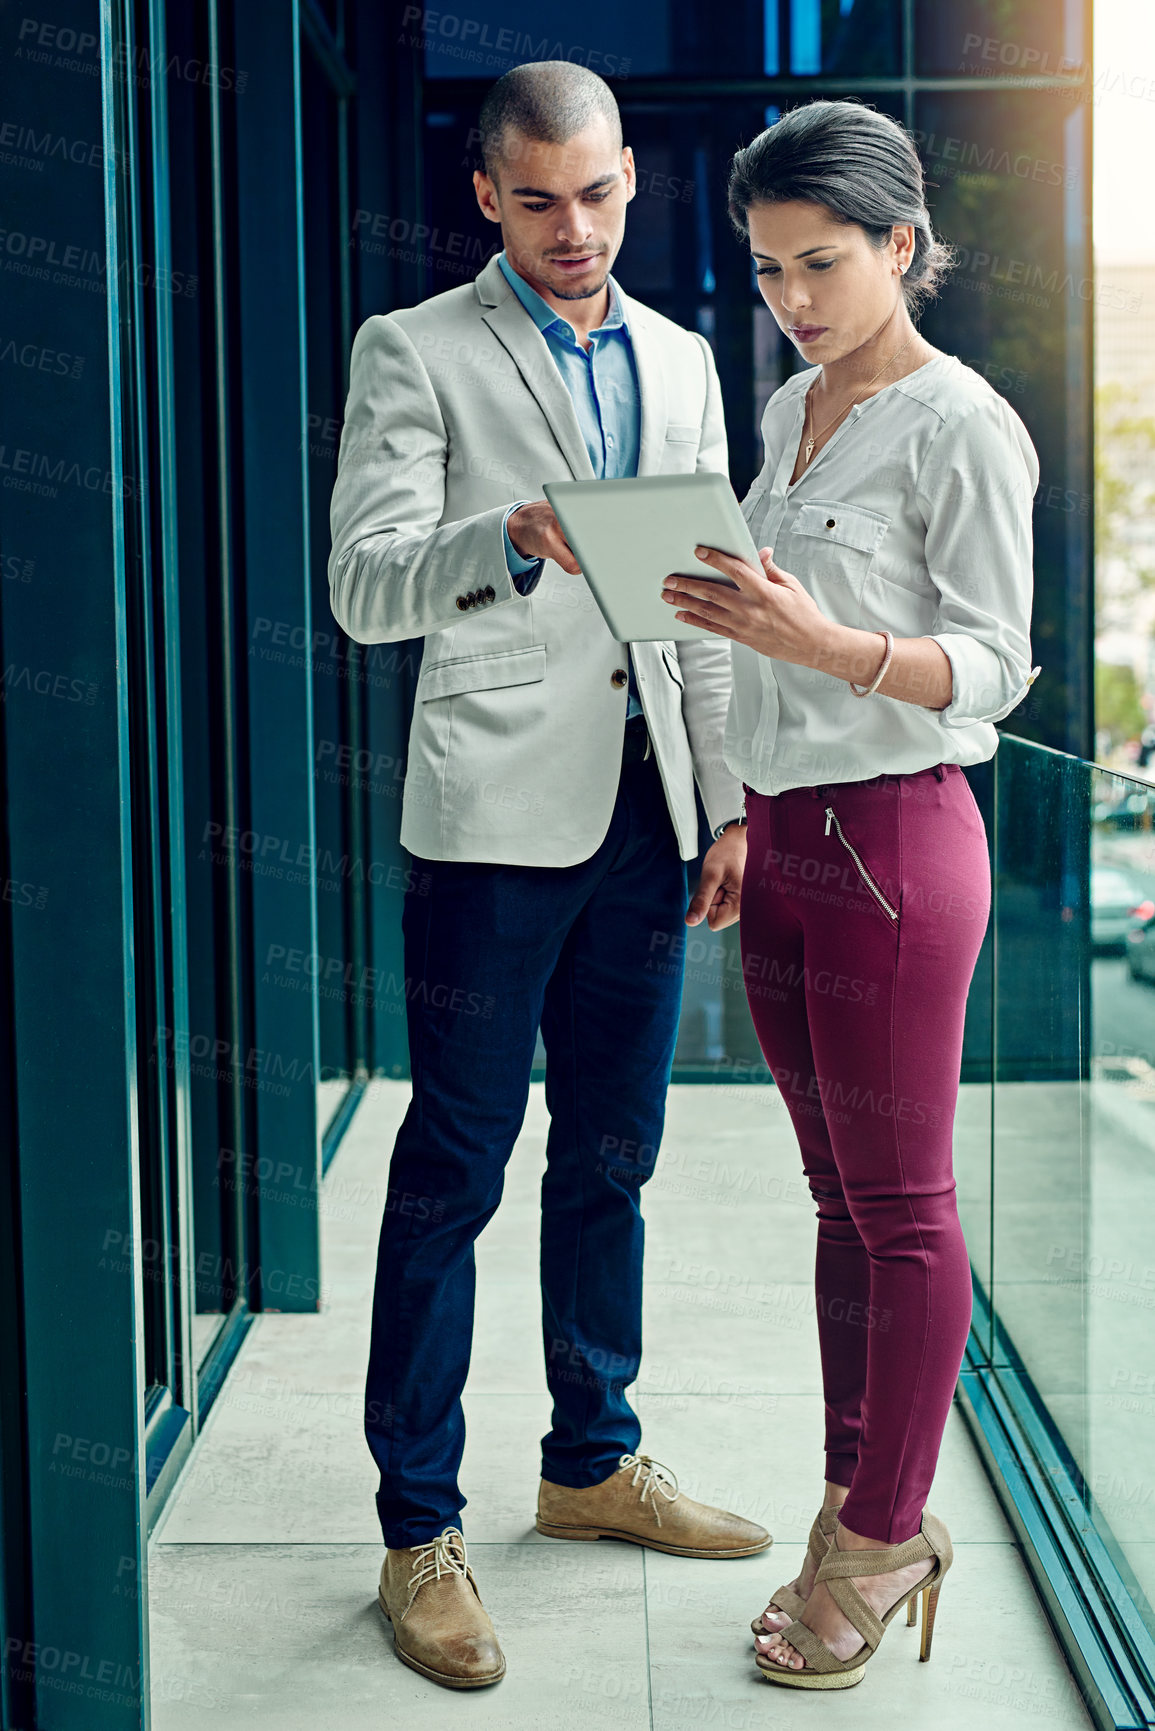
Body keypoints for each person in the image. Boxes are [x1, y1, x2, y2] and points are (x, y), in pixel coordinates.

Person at [328, 60, 770, 1693]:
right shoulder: (415, 350)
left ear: (632, 179)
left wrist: (726, 805)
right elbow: (366, 586)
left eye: (595, 195)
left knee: (615, 1154)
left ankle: (592, 1462)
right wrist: (506, 535)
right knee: (451, 1170)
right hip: (489, 829)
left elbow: (701, 601)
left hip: (650, 818)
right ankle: (416, 1528)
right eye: (537, 201)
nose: (572, 228)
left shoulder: (678, 357)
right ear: (486, 198)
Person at [661, 99, 1039, 1692]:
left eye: (823, 263)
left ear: (902, 246)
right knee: (837, 1205)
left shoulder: (963, 424)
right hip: (795, 836)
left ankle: (886, 1539)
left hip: (898, 842)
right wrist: (743, 788)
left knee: (905, 1209)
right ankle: (852, 1500)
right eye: (766, 270)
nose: (795, 297)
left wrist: (820, 646)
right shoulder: (796, 407)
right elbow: (772, 640)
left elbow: (998, 666)